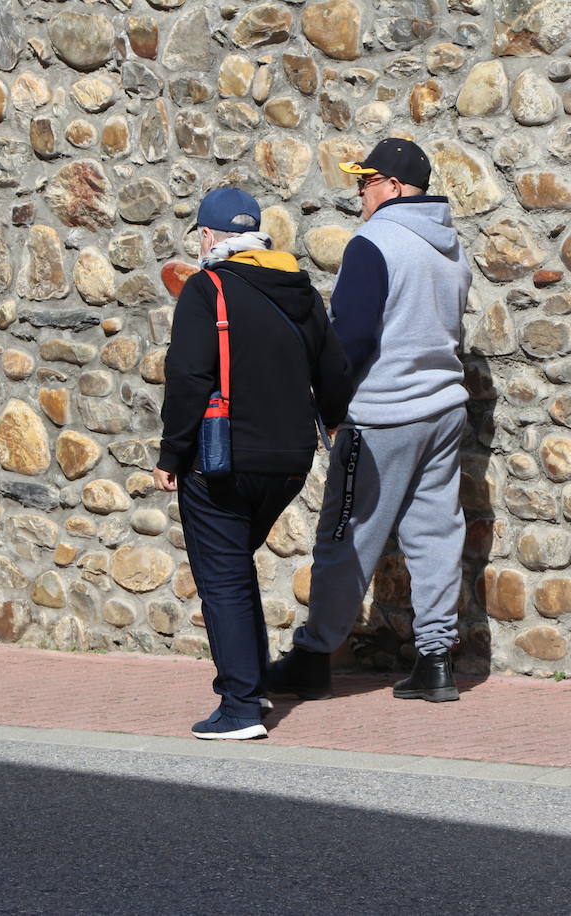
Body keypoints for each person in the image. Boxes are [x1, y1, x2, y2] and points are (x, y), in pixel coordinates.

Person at [269, 137, 473, 704]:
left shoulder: (374, 243)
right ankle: (435, 662)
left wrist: (330, 408)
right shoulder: (453, 247)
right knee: (436, 532)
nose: (359, 191)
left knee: (346, 535)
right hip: (443, 408)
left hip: (383, 415)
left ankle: (313, 658)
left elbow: (350, 340)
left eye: (368, 181)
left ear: (395, 187)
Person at [155, 187, 352, 740]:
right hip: (289, 461)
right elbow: (333, 370)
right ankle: (255, 684)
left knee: (222, 579)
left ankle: (240, 706)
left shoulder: (206, 288)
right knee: (233, 569)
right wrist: (333, 419)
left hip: (220, 459)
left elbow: (189, 378)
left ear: (209, 236)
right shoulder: (301, 290)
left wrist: (171, 453)